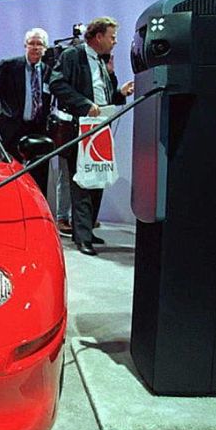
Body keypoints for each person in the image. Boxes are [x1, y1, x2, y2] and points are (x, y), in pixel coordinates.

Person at [49, 17, 134, 256]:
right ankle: (82, 236)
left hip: (100, 129)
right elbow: (56, 84)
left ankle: (86, 230)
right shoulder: (72, 55)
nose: (115, 41)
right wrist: (84, 104)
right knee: (83, 183)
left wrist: (120, 93)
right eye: (112, 37)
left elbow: (104, 97)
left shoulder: (102, 61)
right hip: (79, 129)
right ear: (98, 37)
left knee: (98, 179)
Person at [0, 28, 53, 193]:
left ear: (45, 48)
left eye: (39, 44)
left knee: (39, 180)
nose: (35, 47)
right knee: (13, 178)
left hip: (39, 131)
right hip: (14, 130)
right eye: (31, 43)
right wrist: (2, 124)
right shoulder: (9, 65)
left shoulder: (48, 70)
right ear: (25, 45)